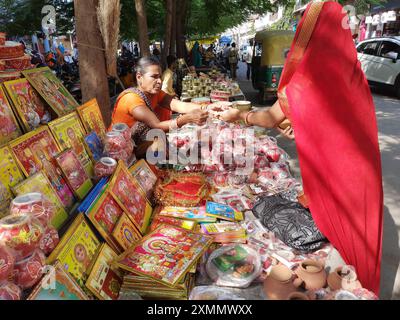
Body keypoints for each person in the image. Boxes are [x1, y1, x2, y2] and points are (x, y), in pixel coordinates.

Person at [217, 1, 383, 296]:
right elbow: (330, 122)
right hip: (364, 175)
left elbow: (269, 117)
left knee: (344, 242)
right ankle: (362, 287)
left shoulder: (308, 78)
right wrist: (302, 127)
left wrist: (238, 115)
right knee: (362, 242)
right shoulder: (350, 72)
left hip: (337, 178)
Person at [110, 57, 208, 157]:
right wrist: (185, 119)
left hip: (140, 148)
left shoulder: (154, 94)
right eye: (154, 77)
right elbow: (157, 125)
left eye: (160, 77)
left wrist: (207, 108)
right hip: (121, 153)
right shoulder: (131, 99)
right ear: (139, 77)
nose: (159, 81)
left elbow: (179, 105)